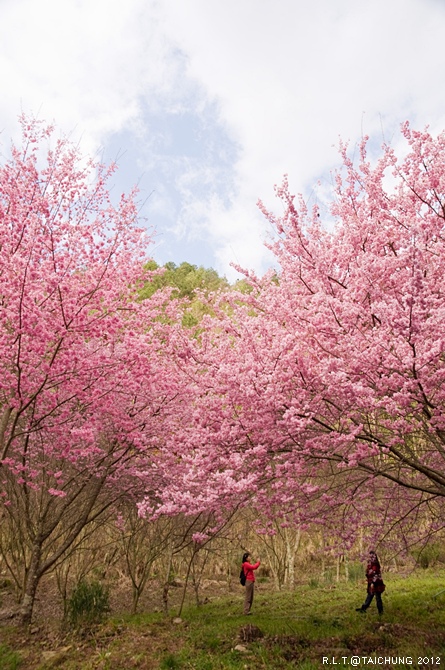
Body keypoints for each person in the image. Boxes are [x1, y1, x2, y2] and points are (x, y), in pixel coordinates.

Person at [356, 550, 385, 615]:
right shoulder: (370, 564)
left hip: (376, 583)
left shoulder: (375, 564)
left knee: (378, 597)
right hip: (371, 582)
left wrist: (373, 583)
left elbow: (376, 574)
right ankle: (363, 608)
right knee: (370, 595)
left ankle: (381, 612)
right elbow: (369, 573)